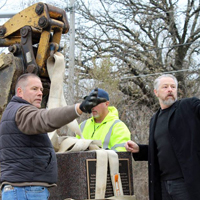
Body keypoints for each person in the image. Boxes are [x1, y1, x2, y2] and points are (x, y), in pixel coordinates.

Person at [0, 73, 105, 200]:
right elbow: (45, 118)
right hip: (27, 190)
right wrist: (78, 108)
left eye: (41, 90)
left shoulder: (13, 112)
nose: (40, 93)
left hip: (22, 189)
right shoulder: (22, 112)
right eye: (34, 89)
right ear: (20, 92)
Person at [125, 73, 200, 200]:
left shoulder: (188, 106)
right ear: (156, 92)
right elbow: (161, 150)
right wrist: (140, 149)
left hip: (186, 183)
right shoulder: (155, 119)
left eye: (173, 87)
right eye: (165, 87)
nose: (170, 89)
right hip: (162, 184)